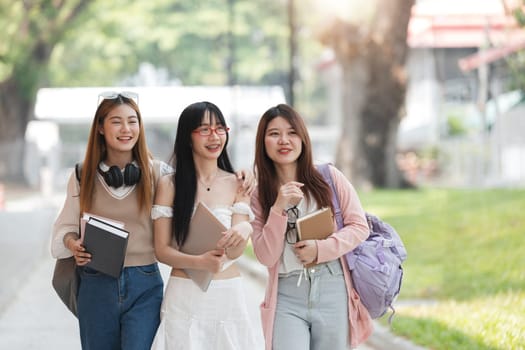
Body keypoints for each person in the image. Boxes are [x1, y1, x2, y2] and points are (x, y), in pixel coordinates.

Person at [250, 104, 374, 350]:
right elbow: (265, 256)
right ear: (263, 142)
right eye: (274, 133)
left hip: (332, 288)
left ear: (303, 138)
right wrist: (277, 208)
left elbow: (359, 226)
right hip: (286, 294)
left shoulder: (328, 178)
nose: (284, 140)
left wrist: (321, 249)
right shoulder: (259, 195)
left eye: (292, 132)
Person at [150, 101, 263, 350]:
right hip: (184, 295)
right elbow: (162, 250)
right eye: (204, 130)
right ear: (187, 137)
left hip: (227, 295)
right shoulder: (169, 185)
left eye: (220, 128)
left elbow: (234, 252)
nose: (214, 136)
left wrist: (245, 229)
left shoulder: (238, 183)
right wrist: (199, 262)